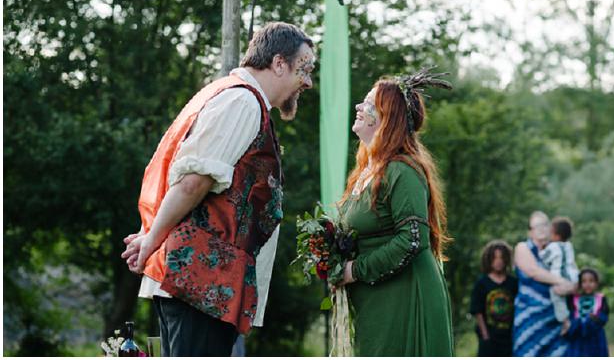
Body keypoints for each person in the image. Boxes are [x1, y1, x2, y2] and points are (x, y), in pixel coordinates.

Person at [122, 22, 316, 357]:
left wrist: (152, 236)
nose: (308, 82)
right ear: (279, 63)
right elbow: (193, 181)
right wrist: (151, 241)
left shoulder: (237, 98)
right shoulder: (242, 103)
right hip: (199, 284)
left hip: (202, 285)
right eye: (305, 69)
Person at [335, 69, 454, 357]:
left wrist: (354, 270)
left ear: (387, 119)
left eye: (368, 104)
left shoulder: (401, 170)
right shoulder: (366, 172)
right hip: (377, 300)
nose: (358, 108)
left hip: (405, 297)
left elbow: (413, 239)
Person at [512, 210, 576, 357]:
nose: (541, 228)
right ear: (530, 231)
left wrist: (572, 286)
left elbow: (572, 270)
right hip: (530, 317)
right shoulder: (523, 247)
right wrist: (562, 281)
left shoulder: (559, 248)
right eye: (536, 226)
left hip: (556, 318)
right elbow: (534, 271)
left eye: (545, 225)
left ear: (550, 228)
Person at [470, 240, 518, 356]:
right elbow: (478, 311)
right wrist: (485, 335)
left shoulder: (513, 282)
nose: (498, 262)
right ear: (489, 260)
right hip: (489, 339)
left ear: (506, 259)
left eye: (501, 258)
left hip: (509, 339)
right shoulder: (482, 283)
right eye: (495, 258)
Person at [541, 217, 579, 333]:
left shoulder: (552, 247)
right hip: (574, 278)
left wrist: (541, 249)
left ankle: (565, 320)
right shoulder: (569, 246)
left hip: (561, 279)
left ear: (556, 235)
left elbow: (542, 259)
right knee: (570, 300)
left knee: (556, 296)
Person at [564, 268, 610, 357]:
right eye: (584, 281)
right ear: (580, 284)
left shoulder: (601, 298)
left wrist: (595, 320)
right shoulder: (573, 298)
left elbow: (604, 315)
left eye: (591, 281)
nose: (587, 284)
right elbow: (570, 314)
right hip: (577, 334)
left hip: (595, 335)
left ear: (596, 283)